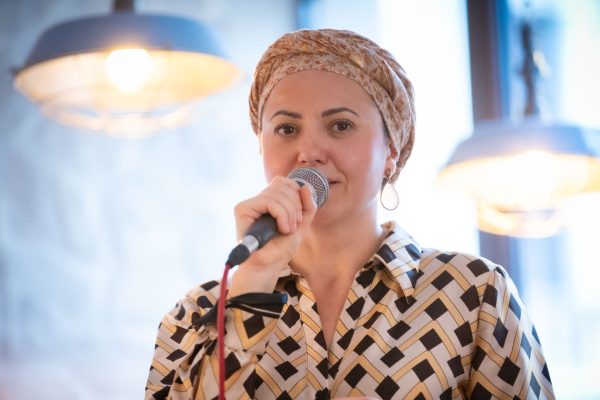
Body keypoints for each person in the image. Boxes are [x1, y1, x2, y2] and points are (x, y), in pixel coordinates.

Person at [145, 29, 555, 400]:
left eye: (341, 126)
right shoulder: (195, 314)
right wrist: (253, 280)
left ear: (391, 151)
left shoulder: (474, 293)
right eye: (287, 129)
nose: (309, 152)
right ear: (261, 146)